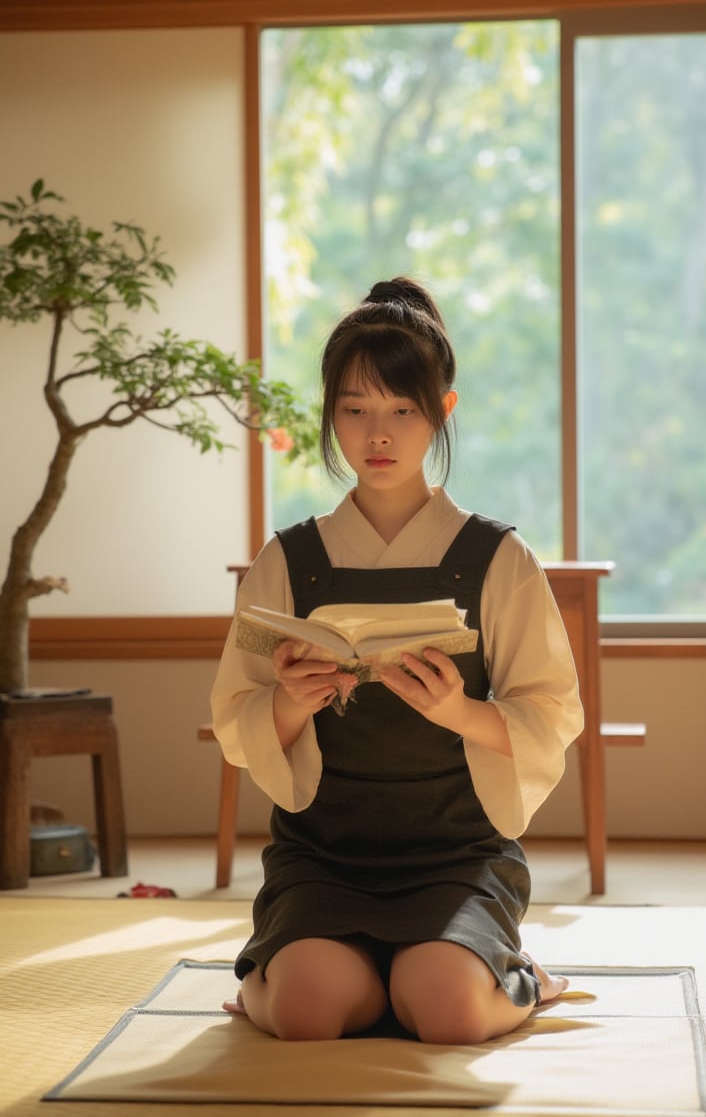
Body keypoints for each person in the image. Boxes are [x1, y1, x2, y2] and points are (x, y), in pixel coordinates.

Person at [210, 277, 584, 1044]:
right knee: (307, 1014)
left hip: (457, 853)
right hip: (324, 852)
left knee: (447, 1013)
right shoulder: (291, 559)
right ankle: (290, 985)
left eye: (401, 410)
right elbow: (234, 719)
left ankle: (516, 977)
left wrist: (457, 711)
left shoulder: (498, 557)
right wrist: (290, 700)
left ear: (443, 409)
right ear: (329, 415)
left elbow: (553, 714)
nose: (376, 434)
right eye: (354, 409)